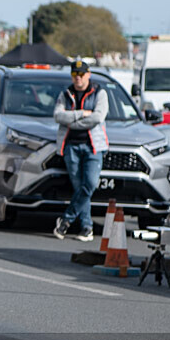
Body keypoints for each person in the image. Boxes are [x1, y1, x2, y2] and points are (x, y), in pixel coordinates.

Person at [52, 59, 108, 242]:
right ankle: (86, 227)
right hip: (71, 146)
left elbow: (98, 117)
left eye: (82, 74)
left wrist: (73, 121)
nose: (78, 78)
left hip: (93, 146)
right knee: (79, 187)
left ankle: (66, 220)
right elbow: (58, 115)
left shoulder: (99, 93)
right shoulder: (65, 94)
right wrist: (81, 114)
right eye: (75, 75)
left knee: (89, 184)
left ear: (88, 75)